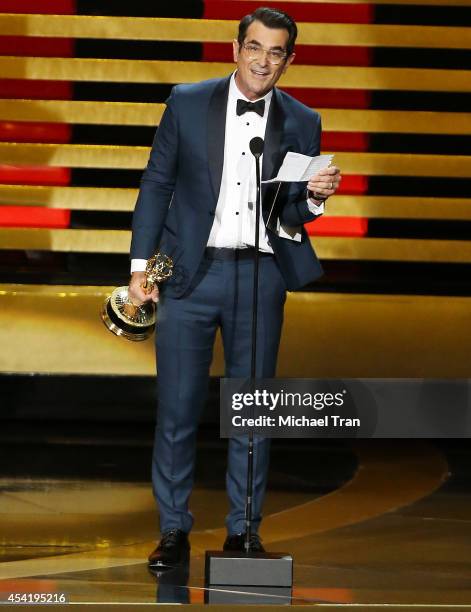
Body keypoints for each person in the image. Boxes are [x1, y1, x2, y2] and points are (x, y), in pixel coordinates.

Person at [128, 6, 341, 569]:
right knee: (176, 409)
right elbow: (156, 183)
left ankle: (243, 532)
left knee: (253, 410)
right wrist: (138, 269)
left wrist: (315, 197)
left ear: (289, 60)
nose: (263, 60)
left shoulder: (303, 120)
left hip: (261, 274)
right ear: (235, 48)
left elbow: (293, 211)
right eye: (254, 47)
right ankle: (172, 531)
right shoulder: (187, 101)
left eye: (276, 52)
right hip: (189, 276)